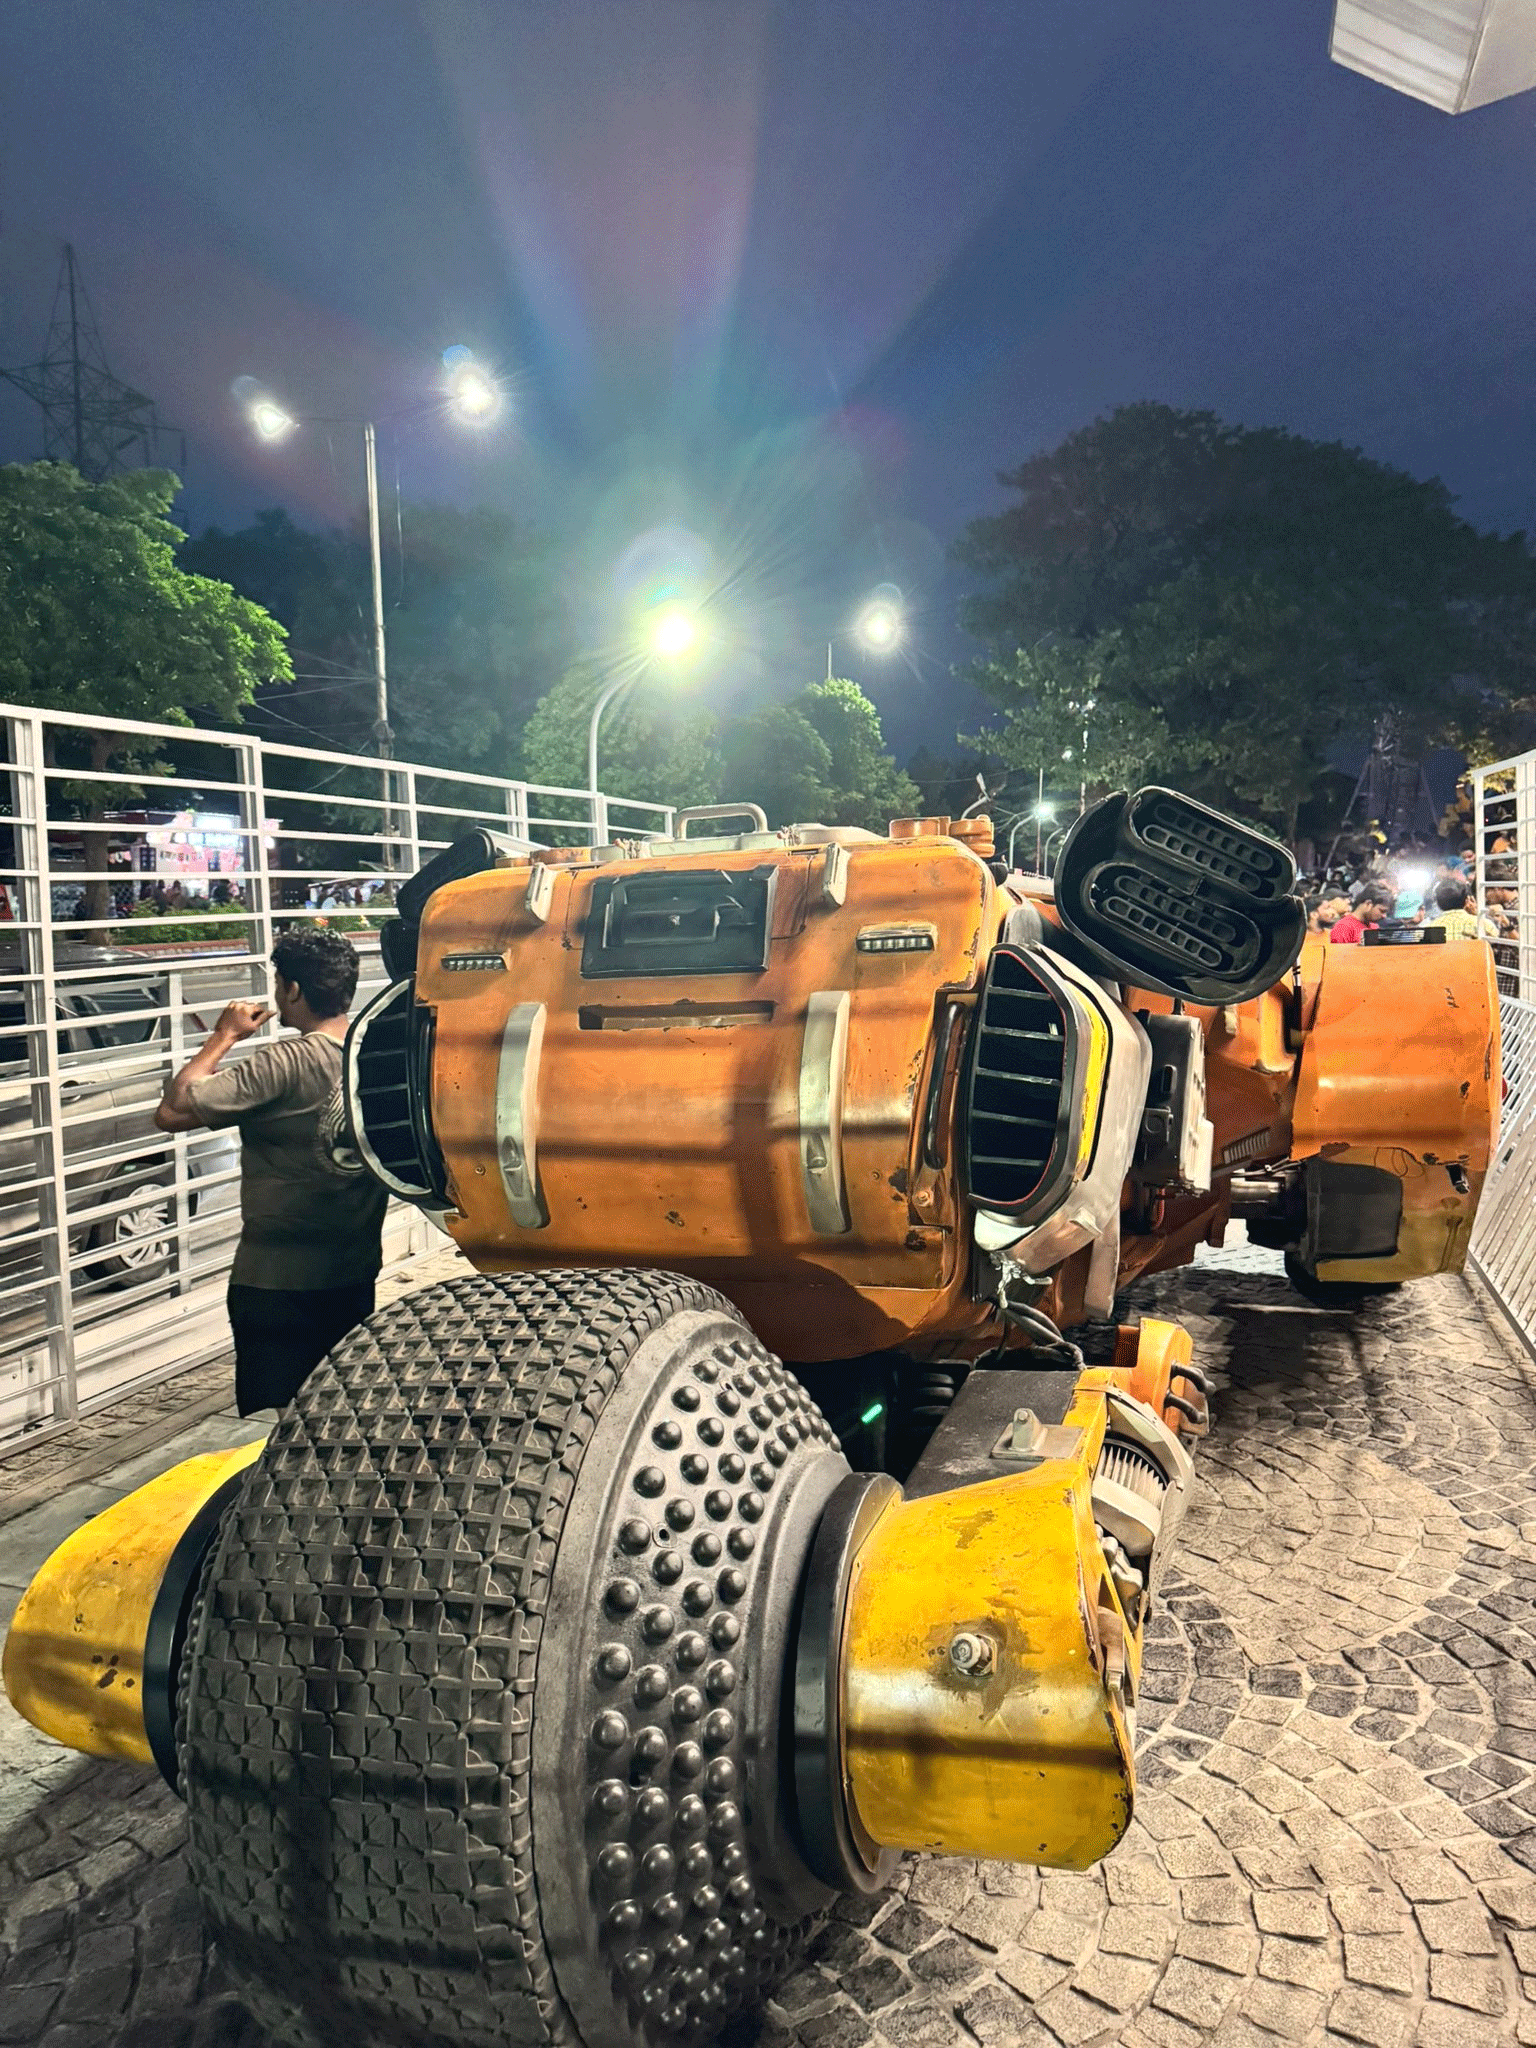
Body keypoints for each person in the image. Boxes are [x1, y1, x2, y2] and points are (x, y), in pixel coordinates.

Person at [154, 928, 387, 1414]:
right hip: (353, 1273)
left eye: (280, 983)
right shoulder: (373, 1056)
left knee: (280, 1423)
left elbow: (173, 1110)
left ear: (294, 990)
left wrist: (225, 1035)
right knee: (334, 1414)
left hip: (278, 1284)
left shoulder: (286, 1061)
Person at [1426, 878, 1497, 942]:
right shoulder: (1481, 924)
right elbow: (1495, 936)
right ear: (1467, 900)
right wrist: (1477, 914)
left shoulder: (1429, 929)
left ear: (1438, 903)